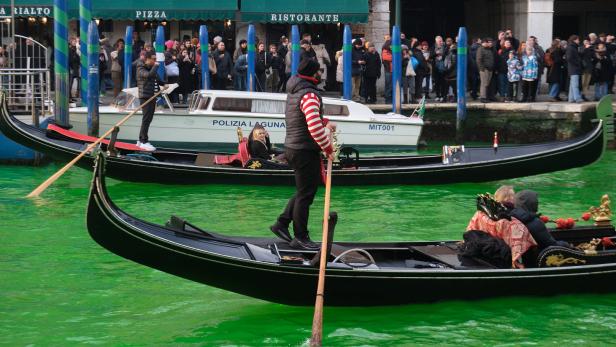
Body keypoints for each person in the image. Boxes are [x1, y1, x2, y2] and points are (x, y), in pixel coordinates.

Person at [270, 59, 336, 249]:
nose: (321, 74)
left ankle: (281, 224)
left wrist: (324, 121)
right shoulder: (309, 94)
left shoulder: (296, 91)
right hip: (304, 150)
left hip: (294, 147)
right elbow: (313, 127)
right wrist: (328, 149)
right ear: (314, 73)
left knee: (303, 191)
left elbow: (303, 117)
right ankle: (300, 237)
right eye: (320, 71)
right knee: (306, 195)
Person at [466, 186, 537, 268]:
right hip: (506, 248)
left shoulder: (488, 211)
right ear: (509, 198)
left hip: (491, 241)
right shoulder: (513, 213)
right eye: (513, 196)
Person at [136, 51, 163, 151]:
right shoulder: (140, 68)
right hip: (145, 97)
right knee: (146, 119)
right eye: (153, 59)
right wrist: (156, 66)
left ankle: (141, 140)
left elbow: (159, 80)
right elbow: (149, 75)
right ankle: (143, 141)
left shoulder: (151, 69)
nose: (155, 61)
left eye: (156, 59)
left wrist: (168, 84)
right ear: (147, 59)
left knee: (148, 119)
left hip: (152, 97)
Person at [477, 37, 495, 103]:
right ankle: (483, 97)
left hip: (490, 69)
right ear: (482, 43)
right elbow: (479, 60)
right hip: (484, 69)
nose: (487, 43)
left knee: (487, 84)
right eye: (486, 42)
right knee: (484, 83)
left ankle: (486, 97)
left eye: (487, 42)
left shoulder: (489, 49)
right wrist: (482, 69)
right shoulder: (480, 49)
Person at [566, 35, 583, 103]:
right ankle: (577, 98)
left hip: (573, 69)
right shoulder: (571, 48)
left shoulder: (573, 47)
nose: (579, 41)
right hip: (574, 69)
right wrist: (577, 63)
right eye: (578, 40)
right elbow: (569, 58)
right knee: (575, 84)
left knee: (572, 85)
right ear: (574, 40)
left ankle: (571, 98)